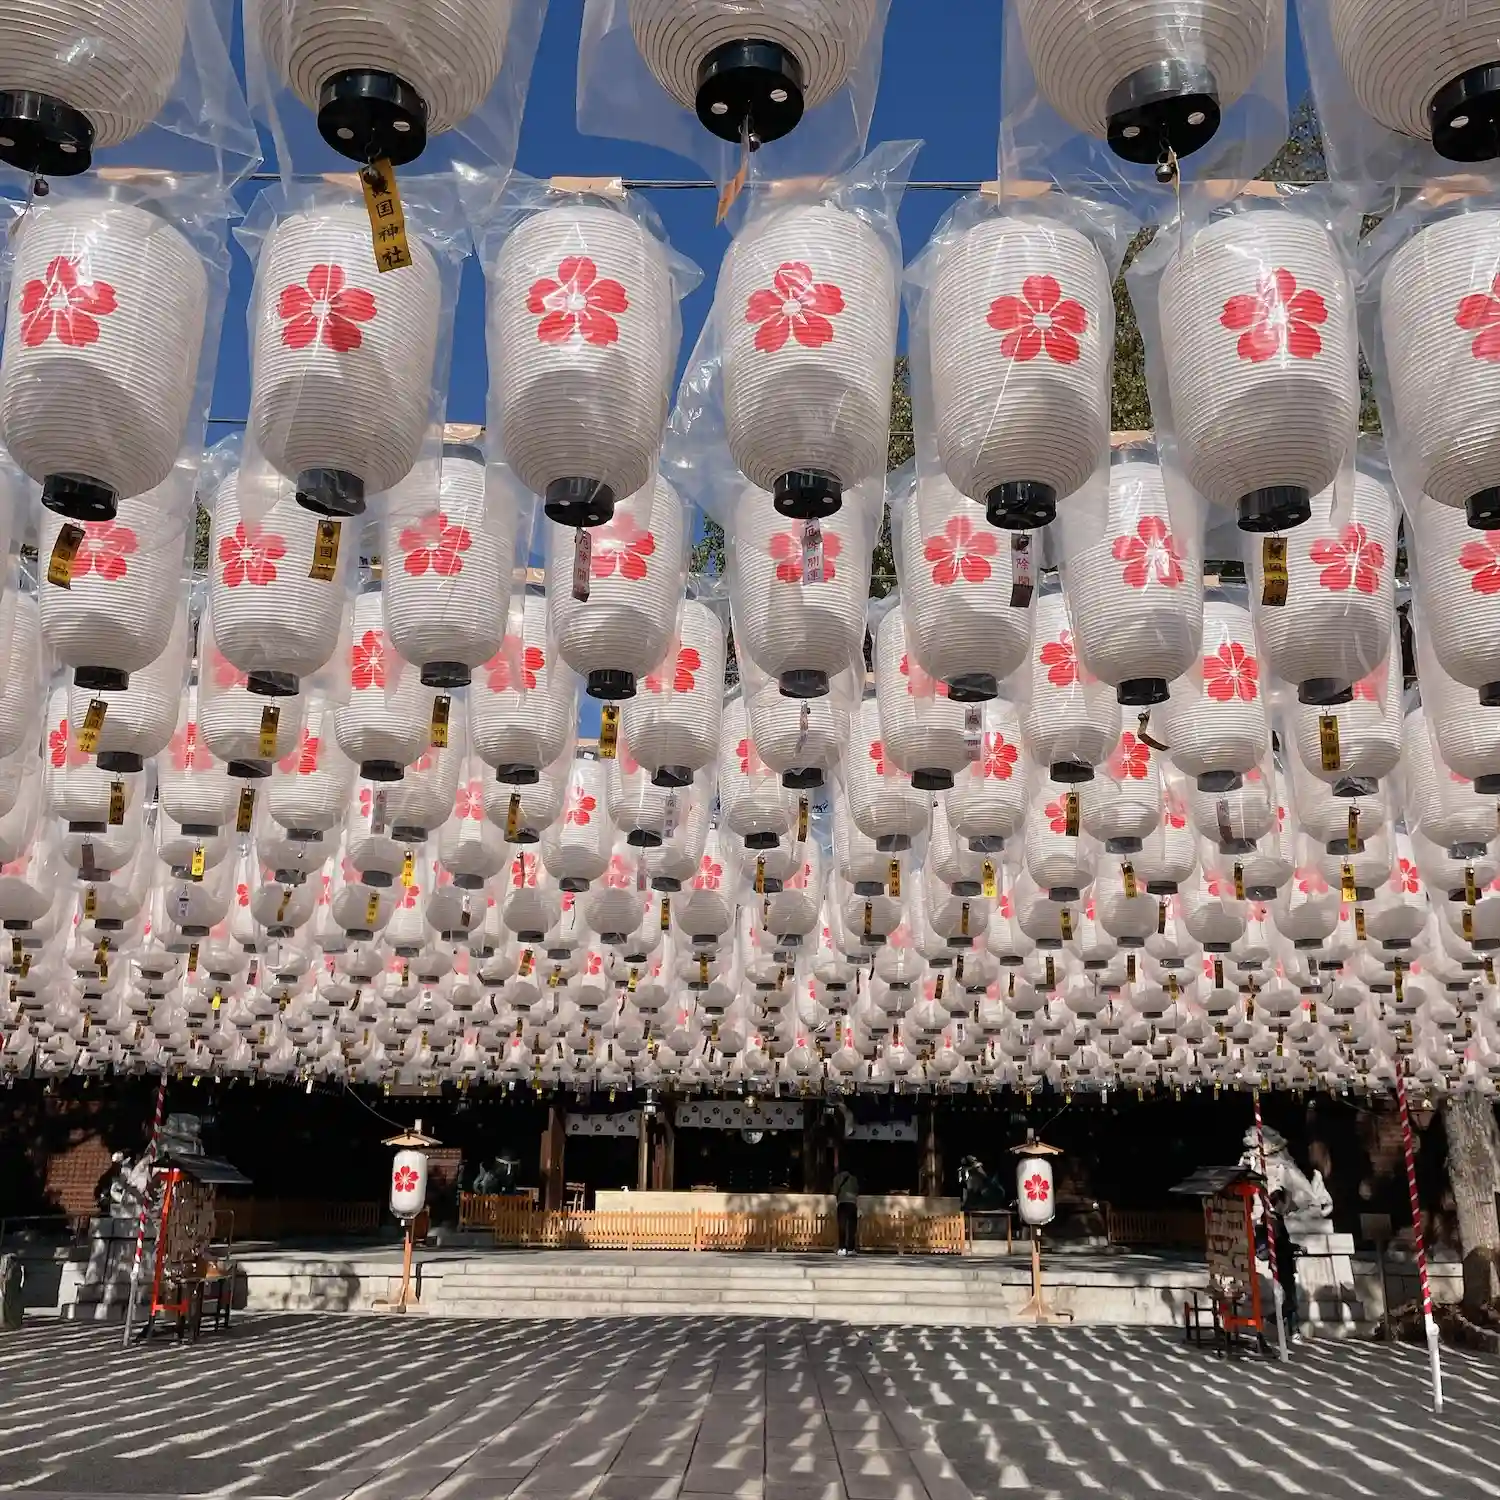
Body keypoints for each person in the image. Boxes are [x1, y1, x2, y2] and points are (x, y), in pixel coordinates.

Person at [1270, 1190, 1301, 1338]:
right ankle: (1273, 1318)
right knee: (1291, 1298)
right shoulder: (1274, 1220)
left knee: (1290, 1296)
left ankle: (1294, 1329)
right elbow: (1280, 1243)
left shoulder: (1277, 1218)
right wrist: (1297, 1247)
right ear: (1280, 1202)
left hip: (1284, 1261)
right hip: (1281, 1262)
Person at [831, 1163, 859, 1256]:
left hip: (842, 1202)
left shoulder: (837, 1178)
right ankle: (851, 1248)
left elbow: (834, 1191)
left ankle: (842, 1248)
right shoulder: (854, 1179)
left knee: (842, 1226)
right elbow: (856, 1191)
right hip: (852, 1203)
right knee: (851, 1227)